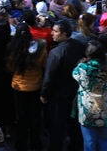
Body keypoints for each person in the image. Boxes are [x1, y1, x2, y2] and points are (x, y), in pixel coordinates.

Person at [41, 20, 85, 151]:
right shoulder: (80, 47)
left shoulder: (56, 53)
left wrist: (44, 94)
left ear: (64, 34)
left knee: (57, 128)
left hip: (59, 97)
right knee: (74, 127)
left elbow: (49, 77)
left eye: (55, 31)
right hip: (75, 94)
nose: (52, 34)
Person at [7, 23, 46, 151]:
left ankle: (21, 145)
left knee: (21, 118)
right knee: (35, 118)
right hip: (35, 87)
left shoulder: (13, 50)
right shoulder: (41, 49)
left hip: (19, 88)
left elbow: (9, 68)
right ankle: (36, 144)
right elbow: (44, 66)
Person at [72, 40, 107, 151]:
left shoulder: (82, 68)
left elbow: (74, 75)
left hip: (87, 110)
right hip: (105, 108)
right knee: (106, 142)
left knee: (89, 142)